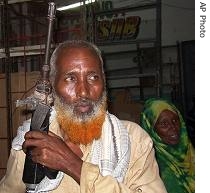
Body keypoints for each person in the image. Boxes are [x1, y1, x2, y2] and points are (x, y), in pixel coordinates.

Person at [0, 40, 167, 193]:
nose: (84, 92)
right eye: (71, 78)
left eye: (93, 77)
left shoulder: (134, 140)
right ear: (52, 85)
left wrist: (74, 166)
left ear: (104, 82)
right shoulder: (32, 139)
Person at [140, 98, 195, 193]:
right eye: (164, 124)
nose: (173, 127)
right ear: (151, 129)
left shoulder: (188, 153)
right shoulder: (148, 167)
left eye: (175, 120)